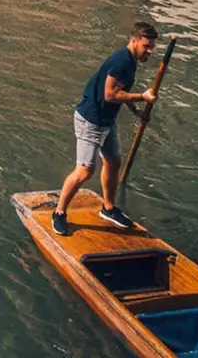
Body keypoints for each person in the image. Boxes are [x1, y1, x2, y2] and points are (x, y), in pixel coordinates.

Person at [51, 22, 160, 236]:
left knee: (113, 161)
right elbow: (110, 94)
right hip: (90, 120)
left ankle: (108, 208)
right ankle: (59, 213)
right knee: (84, 171)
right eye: (146, 46)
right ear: (134, 40)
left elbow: (122, 90)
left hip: (107, 121)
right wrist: (142, 96)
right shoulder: (121, 62)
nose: (150, 51)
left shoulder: (130, 62)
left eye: (152, 47)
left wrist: (136, 110)